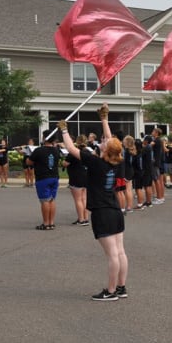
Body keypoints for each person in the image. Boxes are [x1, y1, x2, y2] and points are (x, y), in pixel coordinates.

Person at [58, 103, 129, 301]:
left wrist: (64, 130)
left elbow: (71, 149)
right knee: (120, 252)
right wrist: (104, 118)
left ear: (106, 151)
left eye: (104, 144)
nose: (102, 142)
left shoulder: (95, 162)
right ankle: (121, 288)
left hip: (102, 212)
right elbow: (111, 140)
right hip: (115, 211)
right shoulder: (116, 161)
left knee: (112, 255)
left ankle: (111, 290)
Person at [27, 130, 61, 230]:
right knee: (52, 200)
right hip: (54, 177)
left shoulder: (38, 150)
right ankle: (51, 222)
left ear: (44, 138)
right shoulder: (56, 150)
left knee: (45, 201)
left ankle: (46, 223)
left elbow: (29, 162)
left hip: (43, 178)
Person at [62, 134, 89, 226]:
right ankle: (86, 218)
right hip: (86, 176)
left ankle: (81, 219)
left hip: (76, 176)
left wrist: (63, 160)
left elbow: (65, 164)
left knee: (78, 199)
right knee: (84, 198)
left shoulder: (74, 152)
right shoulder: (88, 152)